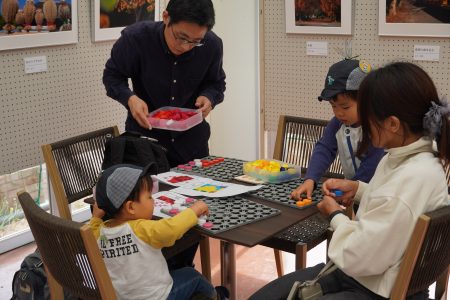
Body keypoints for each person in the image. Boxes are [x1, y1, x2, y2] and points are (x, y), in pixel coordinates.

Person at [250, 62, 450, 299]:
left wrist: (335, 216)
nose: (362, 124)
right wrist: (358, 189)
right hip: (375, 274)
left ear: (393, 124)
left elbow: (357, 257)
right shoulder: (416, 157)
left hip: (375, 285)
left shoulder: (409, 176)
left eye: (367, 116)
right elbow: (397, 208)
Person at [103, 0, 226, 168]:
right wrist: (130, 99)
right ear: (166, 17)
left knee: (195, 194)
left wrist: (209, 97)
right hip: (145, 146)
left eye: (195, 41)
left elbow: (216, 83)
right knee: (148, 195)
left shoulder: (212, 45)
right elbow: (112, 76)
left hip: (192, 146)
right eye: (181, 37)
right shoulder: (136, 39)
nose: (186, 47)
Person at [89, 163, 229, 300]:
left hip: (123, 297)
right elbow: (171, 229)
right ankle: (217, 296)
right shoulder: (141, 229)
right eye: (149, 197)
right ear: (131, 207)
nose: (153, 201)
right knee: (191, 275)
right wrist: (195, 210)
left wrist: (95, 217)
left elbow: (92, 229)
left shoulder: (100, 233)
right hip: (160, 297)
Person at [291, 59, 385, 201]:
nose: (339, 113)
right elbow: (325, 149)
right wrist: (310, 179)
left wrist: (351, 188)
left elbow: (372, 165)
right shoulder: (336, 124)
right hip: (353, 191)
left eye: (345, 107)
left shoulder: (376, 128)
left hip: (378, 195)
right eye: (333, 106)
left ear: (366, 99)